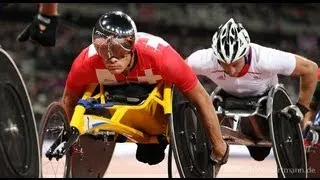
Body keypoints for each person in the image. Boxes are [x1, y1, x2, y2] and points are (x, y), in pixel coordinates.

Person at [61, 11, 229, 175]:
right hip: (115, 108)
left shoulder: (162, 57)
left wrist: (218, 144)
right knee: (147, 155)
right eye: (104, 51)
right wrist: (68, 134)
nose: (111, 58)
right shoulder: (86, 62)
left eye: (118, 52)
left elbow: (201, 98)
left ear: (131, 46)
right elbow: (69, 99)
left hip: (156, 112)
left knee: (150, 156)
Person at [186, 18, 318, 162]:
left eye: (236, 63)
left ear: (246, 53)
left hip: (266, 106)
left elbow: (310, 69)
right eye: (224, 63)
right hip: (229, 98)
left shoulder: (265, 58)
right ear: (216, 56)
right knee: (258, 154)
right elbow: (179, 71)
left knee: (259, 154)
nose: (230, 70)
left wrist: (301, 108)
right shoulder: (205, 59)